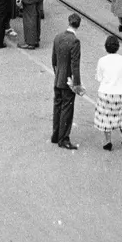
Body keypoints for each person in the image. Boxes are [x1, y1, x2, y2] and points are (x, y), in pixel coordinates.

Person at [94, 35, 122, 151]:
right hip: (120, 92)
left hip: (105, 92)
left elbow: (99, 78)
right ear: (117, 47)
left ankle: (108, 141)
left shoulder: (101, 61)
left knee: (106, 117)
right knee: (121, 117)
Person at [51, 13, 84, 149]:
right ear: (78, 25)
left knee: (57, 106)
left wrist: (57, 74)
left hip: (58, 78)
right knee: (67, 109)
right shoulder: (75, 42)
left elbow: (54, 60)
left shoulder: (58, 37)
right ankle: (63, 138)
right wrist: (77, 84)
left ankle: (56, 134)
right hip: (68, 80)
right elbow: (74, 65)